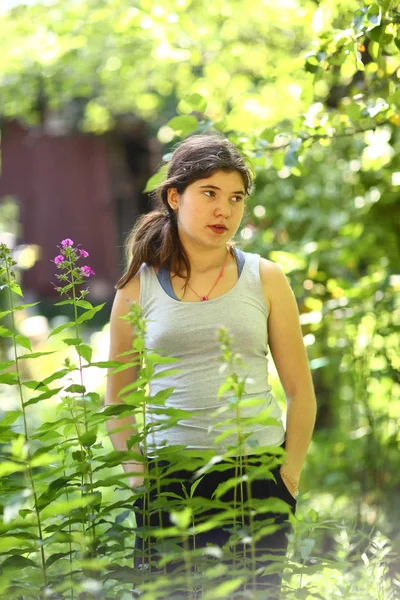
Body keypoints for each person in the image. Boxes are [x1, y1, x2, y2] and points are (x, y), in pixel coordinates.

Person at [105, 133, 317, 598]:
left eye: (236, 198)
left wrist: (288, 479)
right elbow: (116, 399)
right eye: (210, 194)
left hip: (256, 478)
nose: (225, 209)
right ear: (175, 196)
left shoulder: (266, 278)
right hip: (170, 483)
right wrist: (141, 480)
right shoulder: (136, 289)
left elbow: (300, 391)